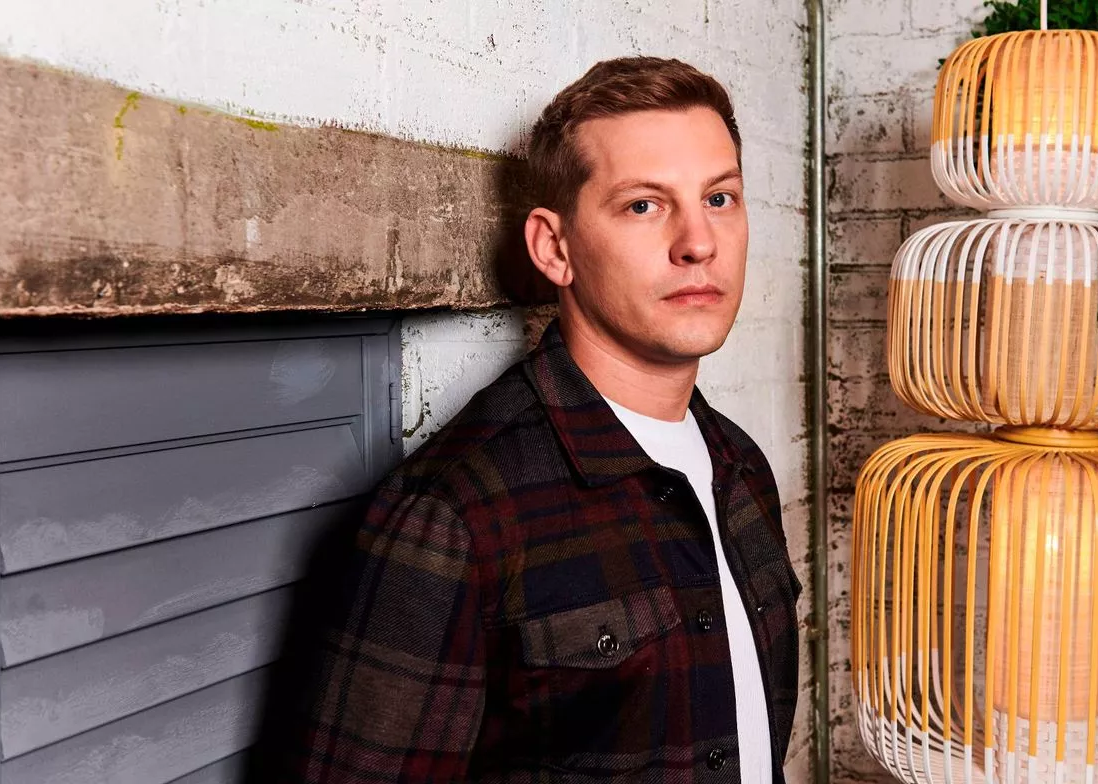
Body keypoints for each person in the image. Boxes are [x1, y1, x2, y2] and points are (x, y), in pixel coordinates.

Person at [283, 56, 801, 783]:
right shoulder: (453, 515)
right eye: (644, 206)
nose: (698, 242)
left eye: (720, 198)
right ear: (554, 249)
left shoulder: (741, 467)